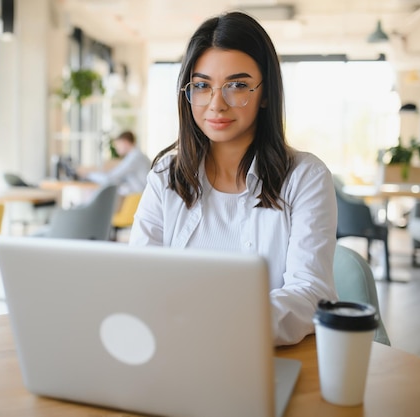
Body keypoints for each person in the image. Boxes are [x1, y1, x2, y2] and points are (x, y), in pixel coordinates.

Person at [129, 11, 338, 346]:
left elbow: (311, 291)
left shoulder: (306, 177)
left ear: (266, 93)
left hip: (264, 361)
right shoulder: (165, 177)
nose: (216, 104)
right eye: (201, 86)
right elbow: (138, 277)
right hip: (173, 353)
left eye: (237, 86)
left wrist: (224, 324)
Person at [80, 130, 151, 196]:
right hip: (137, 195)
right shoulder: (135, 155)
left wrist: (88, 175)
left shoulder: (135, 157)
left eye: (118, 144)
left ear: (125, 142)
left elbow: (110, 178)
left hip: (137, 198)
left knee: (97, 193)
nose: (116, 148)